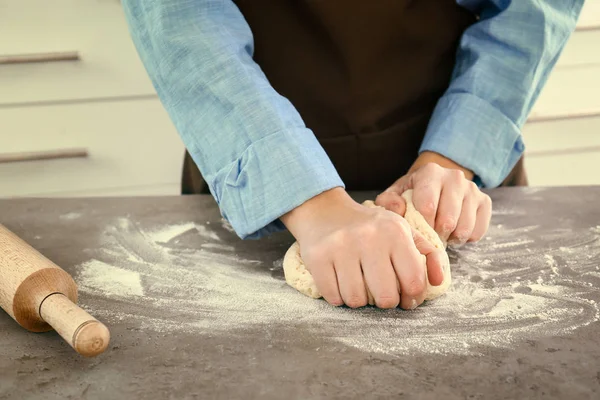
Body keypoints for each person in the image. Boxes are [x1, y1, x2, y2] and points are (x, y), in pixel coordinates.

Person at [122, 0, 583, 310]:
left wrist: (454, 155)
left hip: (452, 128)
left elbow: (533, 8)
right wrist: (314, 204)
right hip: (245, 135)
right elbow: (180, 15)